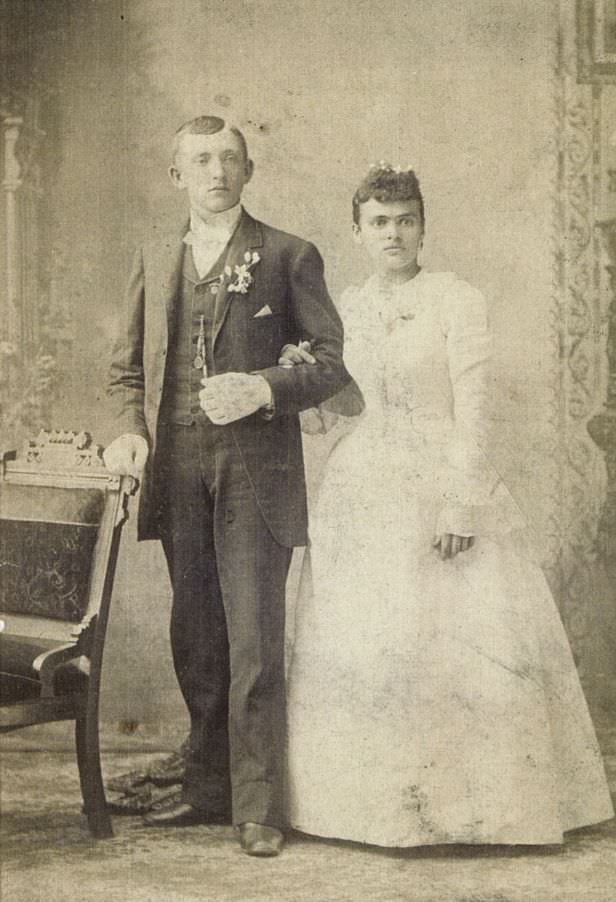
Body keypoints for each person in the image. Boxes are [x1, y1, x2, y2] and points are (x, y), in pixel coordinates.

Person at [285, 164, 614, 847]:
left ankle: (472, 810)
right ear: (357, 230)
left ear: (424, 226)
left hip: (441, 472)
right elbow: (346, 406)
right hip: (365, 483)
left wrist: (462, 503)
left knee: (452, 636)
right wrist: (303, 384)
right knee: (371, 635)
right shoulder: (345, 305)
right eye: (379, 222)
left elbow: (476, 412)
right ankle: (368, 809)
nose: (394, 234)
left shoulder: (457, 300)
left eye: (406, 220)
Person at [103, 116, 353, 857]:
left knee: (253, 642)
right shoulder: (156, 254)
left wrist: (266, 386)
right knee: (197, 637)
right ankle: (208, 788)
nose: (217, 171)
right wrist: (129, 430)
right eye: (201, 160)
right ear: (177, 174)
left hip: (255, 473)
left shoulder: (287, 254)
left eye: (231, 159)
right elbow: (126, 370)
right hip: (178, 468)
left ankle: (260, 807)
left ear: (249, 172)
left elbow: (334, 365)